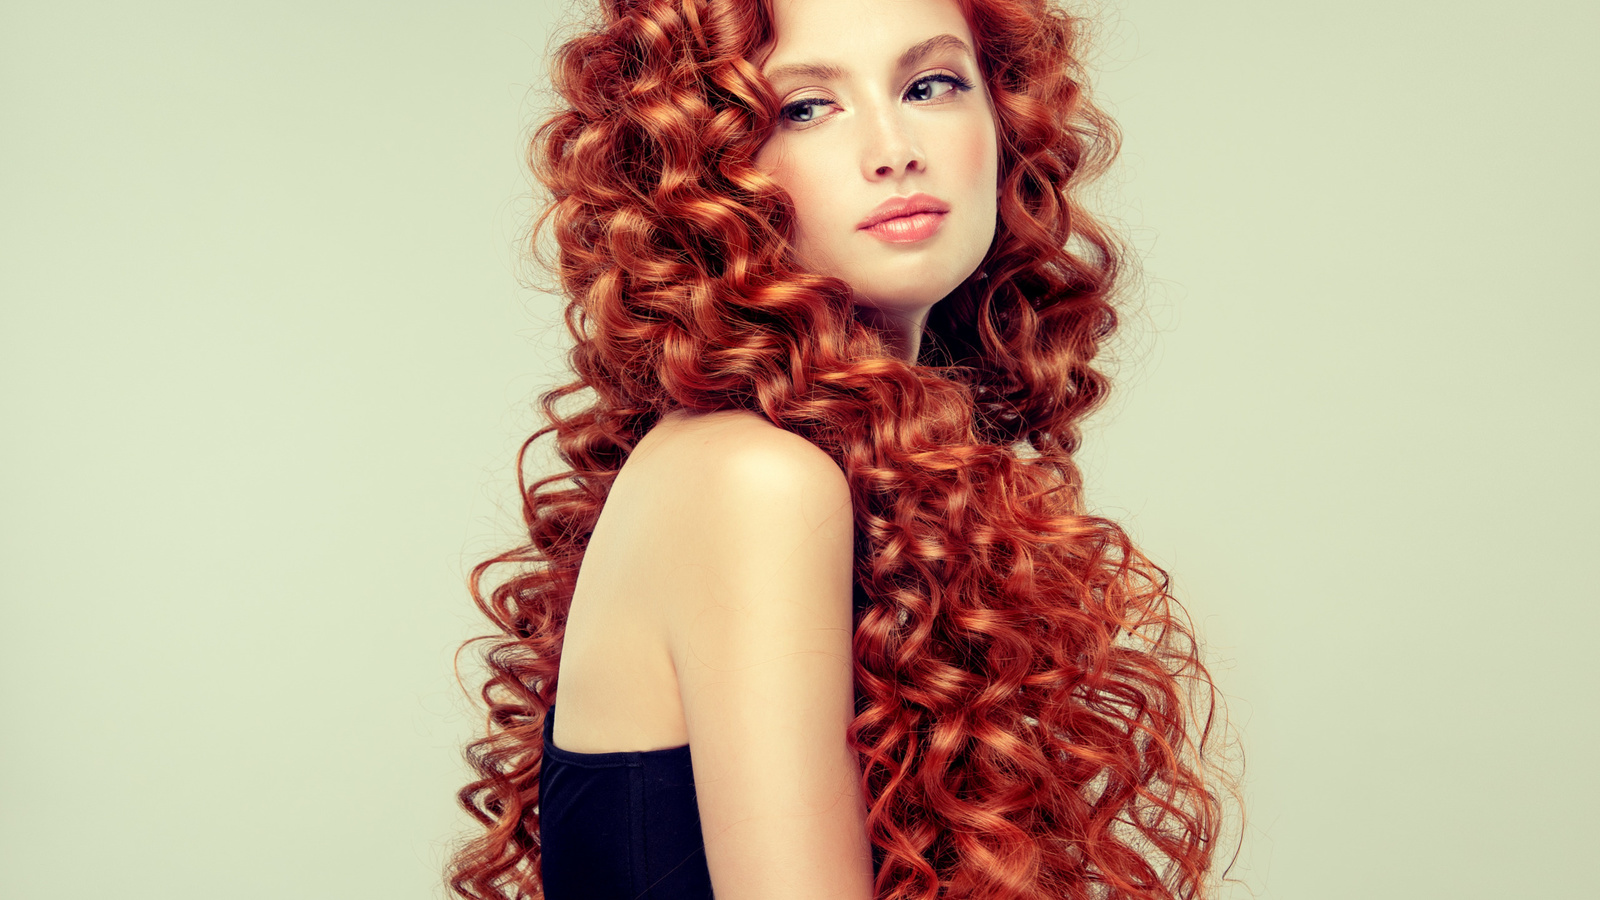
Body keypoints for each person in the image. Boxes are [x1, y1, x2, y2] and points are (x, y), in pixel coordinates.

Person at [449, 0, 1235, 897]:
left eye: (931, 85)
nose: (894, 147)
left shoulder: (835, 468)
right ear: (706, 171)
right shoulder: (752, 479)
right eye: (806, 108)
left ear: (1007, 122)